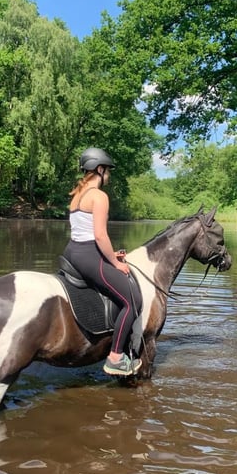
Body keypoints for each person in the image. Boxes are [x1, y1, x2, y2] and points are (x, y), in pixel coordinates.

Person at [63, 147, 143, 376]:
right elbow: (100, 236)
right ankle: (116, 357)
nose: (108, 176)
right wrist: (116, 263)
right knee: (133, 300)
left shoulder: (76, 196)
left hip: (73, 252)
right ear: (99, 169)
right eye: (107, 171)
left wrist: (110, 255)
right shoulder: (99, 196)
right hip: (90, 255)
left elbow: (84, 233)